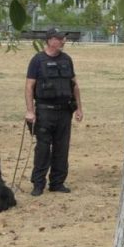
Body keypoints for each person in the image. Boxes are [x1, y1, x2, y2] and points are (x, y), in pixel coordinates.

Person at [25, 27, 84, 196]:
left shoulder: (67, 59)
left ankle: (57, 183)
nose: (63, 41)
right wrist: (30, 111)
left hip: (64, 112)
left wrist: (79, 108)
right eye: (59, 38)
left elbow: (74, 85)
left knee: (62, 148)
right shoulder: (37, 60)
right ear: (50, 40)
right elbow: (29, 86)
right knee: (43, 149)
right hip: (45, 111)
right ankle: (38, 184)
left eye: (63, 38)